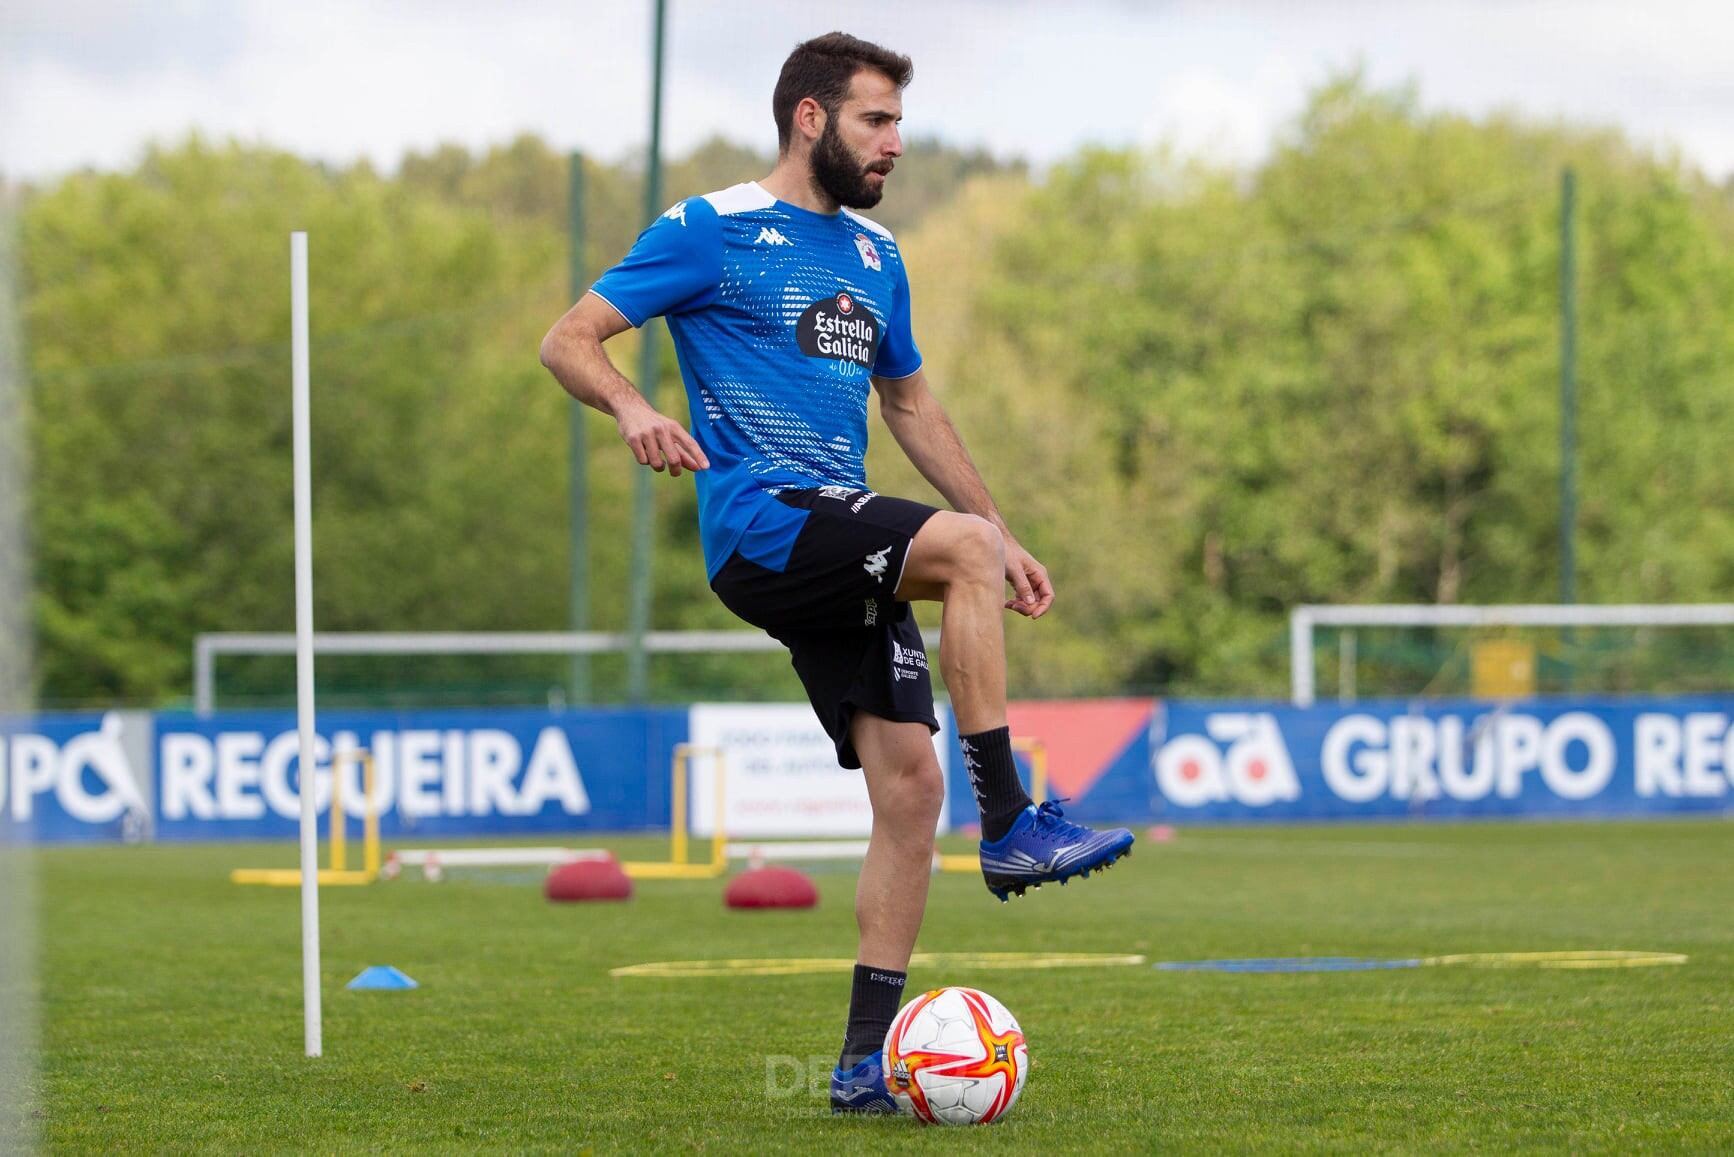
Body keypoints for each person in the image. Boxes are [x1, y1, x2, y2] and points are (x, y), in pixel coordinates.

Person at [540, 31, 1133, 1114]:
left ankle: (863, 1066)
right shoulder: (712, 229)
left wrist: (1001, 531)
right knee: (958, 553)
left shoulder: (874, 258)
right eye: (876, 119)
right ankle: (1011, 822)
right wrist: (634, 405)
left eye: (899, 121)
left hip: (840, 533)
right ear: (810, 117)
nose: (895, 142)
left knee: (910, 786)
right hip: (763, 522)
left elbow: (909, 405)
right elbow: (569, 337)